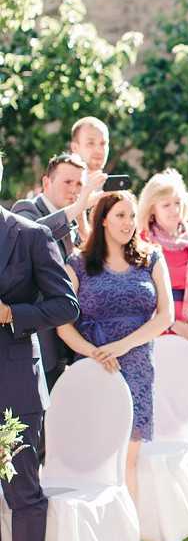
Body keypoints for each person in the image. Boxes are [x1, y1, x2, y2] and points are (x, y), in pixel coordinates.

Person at [0, 153, 80, 541]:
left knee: (23, 490)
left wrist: (12, 315)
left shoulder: (29, 236)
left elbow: (64, 304)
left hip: (13, 384)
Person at [57, 191, 174, 511]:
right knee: (99, 455)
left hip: (136, 365)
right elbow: (63, 325)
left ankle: (130, 538)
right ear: (104, 219)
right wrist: (94, 353)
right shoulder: (77, 264)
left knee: (130, 458)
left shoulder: (151, 258)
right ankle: (100, 533)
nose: (128, 223)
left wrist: (122, 346)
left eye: (132, 215)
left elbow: (166, 316)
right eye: (121, 215)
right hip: (95, 369)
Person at [12, 153, 107, 392]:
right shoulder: (26, 210)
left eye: (80, 184)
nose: (75, 189)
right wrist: (78, 207)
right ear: (46, 183)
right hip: (36, 340)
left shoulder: (75, 223)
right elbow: (34, 236)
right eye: (68, 182)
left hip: (67, 343)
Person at [138, 168, 188, 360]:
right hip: (154, 330)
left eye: (177, 203)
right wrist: (168, 324)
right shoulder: (141, 240)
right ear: (152, 209)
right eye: (166, 205)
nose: (174, 210)